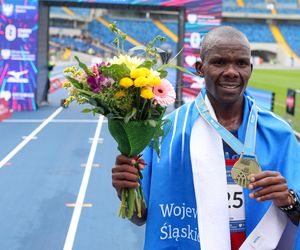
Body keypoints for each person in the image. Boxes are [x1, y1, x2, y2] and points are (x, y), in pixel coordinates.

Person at [112, 26, 300, 250]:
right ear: (201, 68)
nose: (231, 71)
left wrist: (289, 202)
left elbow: (296, 215)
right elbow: (140, 217)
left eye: (240, 63)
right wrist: (126, 188)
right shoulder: (165, 132)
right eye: (220, 62)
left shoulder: (280, 134)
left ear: (250, 69)